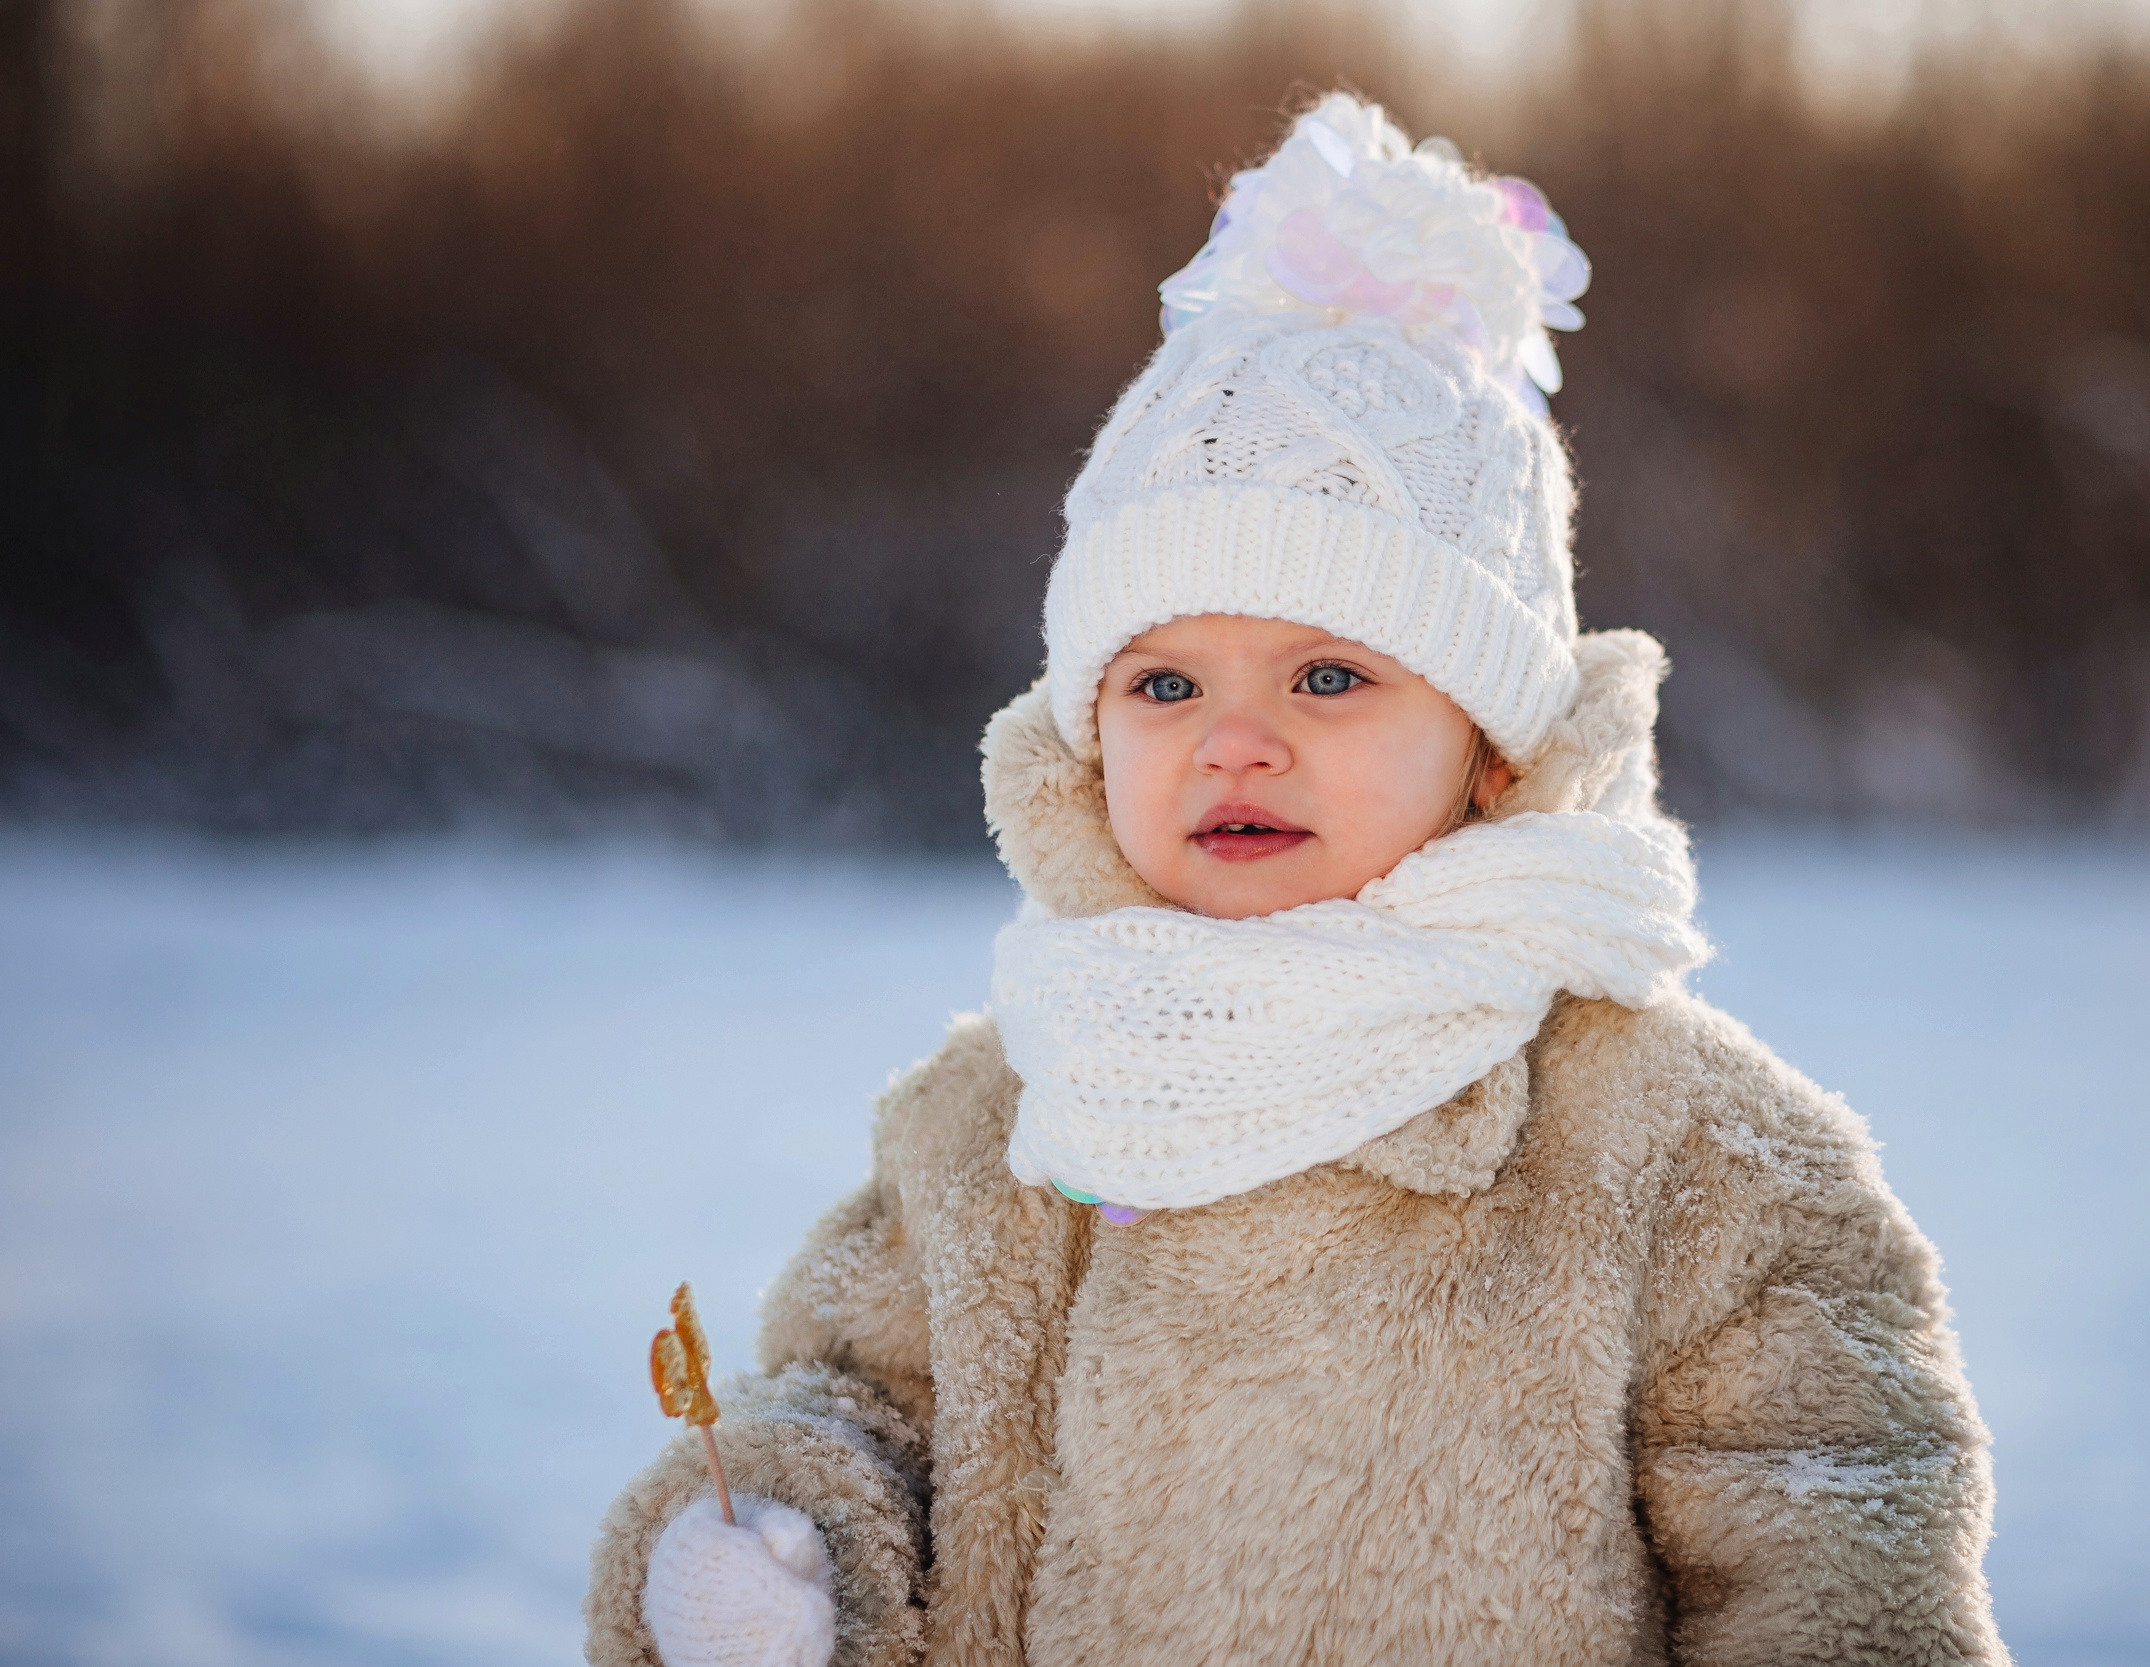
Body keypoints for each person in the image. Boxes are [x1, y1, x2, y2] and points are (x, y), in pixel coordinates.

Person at [584, 92, 2008, 1667]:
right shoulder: (998, 1128)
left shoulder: (1685, 1153)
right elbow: (862, 1408)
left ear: (1494, 752)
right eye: (1166, 686)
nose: (1234, 745)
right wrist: (786, 1549)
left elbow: (1834, 1531)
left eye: (1329, 680)